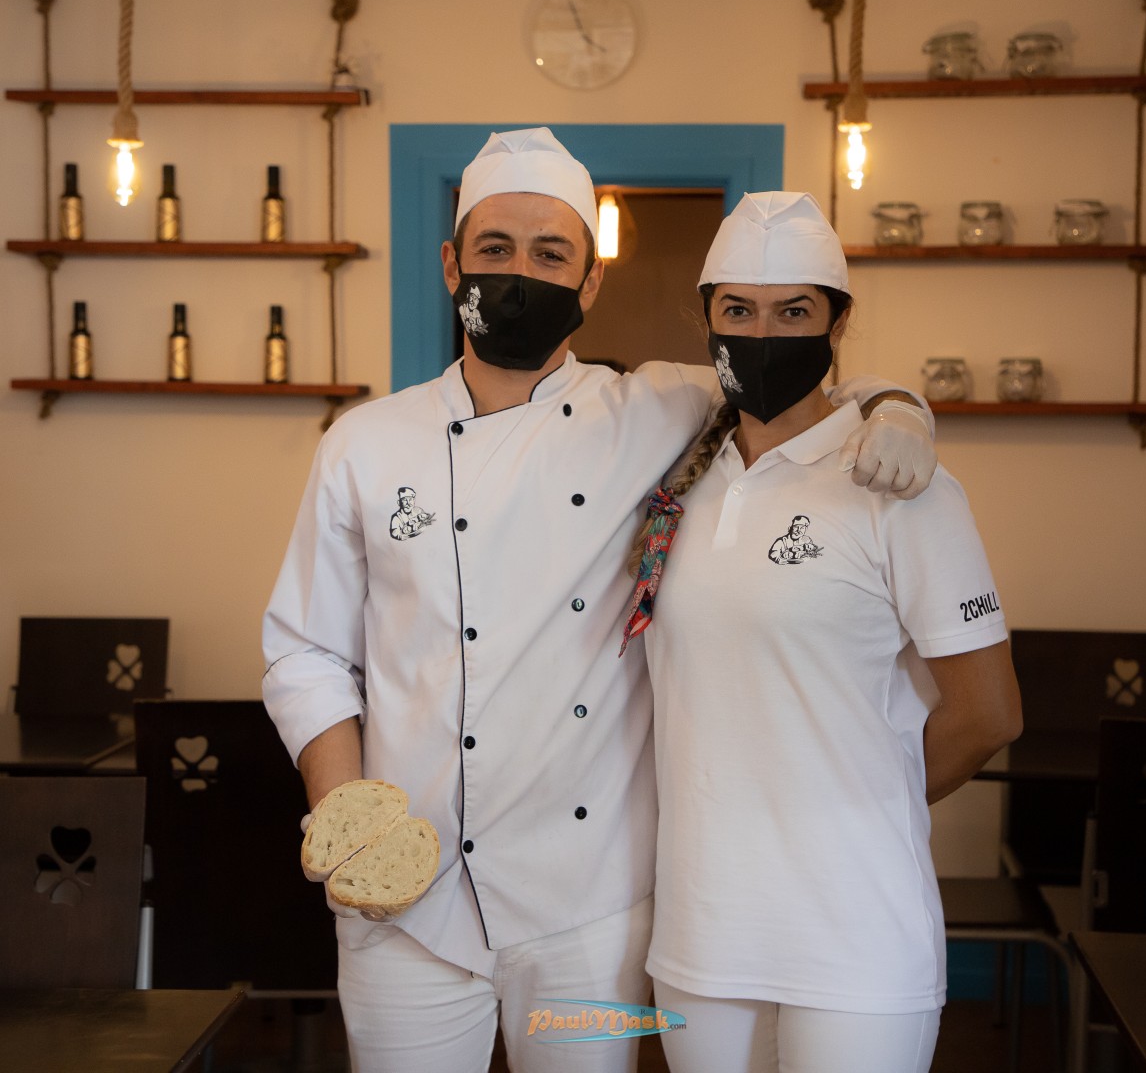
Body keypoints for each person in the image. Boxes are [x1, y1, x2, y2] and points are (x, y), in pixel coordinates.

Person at [262, 128, 939, 1073]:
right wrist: (349, 820)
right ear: (453, 264)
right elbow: (305, 652)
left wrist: (901, 405)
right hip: (404, 903)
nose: (519, 274)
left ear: (589, 282)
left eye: (551, 254)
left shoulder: (656, 408)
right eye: (495, 249)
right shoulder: (363, 444)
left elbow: (799, 374)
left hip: (595, 917)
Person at [627, 191, 1023, 1073]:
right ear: (706, 319)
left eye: (794, 312)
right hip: (701, 928)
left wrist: (868, 799)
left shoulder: (900, 482)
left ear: (838, 323)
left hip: (855, 931)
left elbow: (989, 714)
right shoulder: (677, 475)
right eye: (738, 311)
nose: (763, 333)